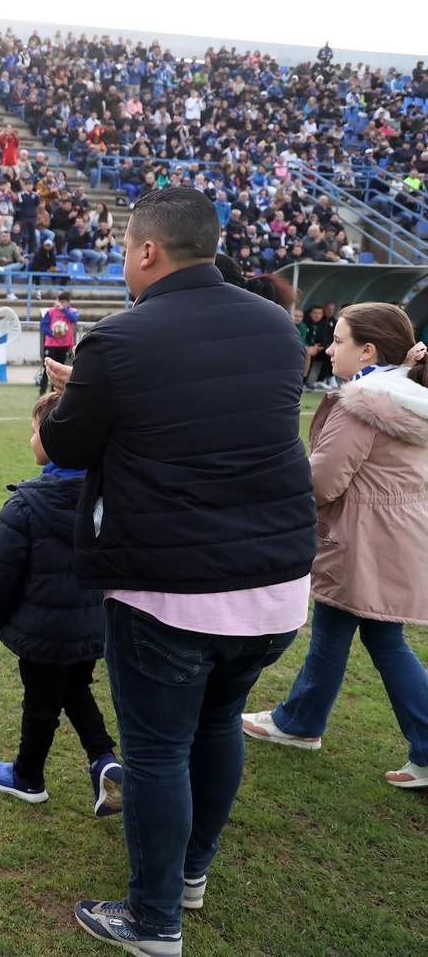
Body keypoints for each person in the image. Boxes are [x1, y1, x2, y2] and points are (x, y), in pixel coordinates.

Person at [38, 187, 315, 955]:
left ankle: (155, 917)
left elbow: (65, 447)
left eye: (126, 249)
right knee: (218, 723)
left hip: (172, 590)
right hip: (275, 583)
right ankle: (190, 872)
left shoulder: (120, 340)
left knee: (158, 750)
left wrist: (76, 392)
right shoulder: (274, 323)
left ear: (149, 250)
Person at [243, 304, 428, 790]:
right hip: (393, 534)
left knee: (380, 638)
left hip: (362, 536)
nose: (328, 348)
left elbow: (322, 482)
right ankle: (299, 720)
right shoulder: (410, 393)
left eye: (339, 340)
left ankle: (422, 745)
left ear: (368, 350)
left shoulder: (364, 401)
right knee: (340, 628)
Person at [0, 390, 124, 815]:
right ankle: (105, 760)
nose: (30, 439)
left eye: (34, 431)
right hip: (91, 629)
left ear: (52, 438)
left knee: (41, 703)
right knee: (74, 687)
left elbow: (2, 571)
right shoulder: (112, 497)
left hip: (43, 634)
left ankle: (27, 776)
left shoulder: (25, 505)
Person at [39, 291, 77, 395]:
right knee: (47, 368)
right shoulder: (51, 311)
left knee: (60, 369)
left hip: (64, 344)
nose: (61, 304)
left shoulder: (72, 311)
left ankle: (55, 393)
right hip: (51, 344)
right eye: (60, 301)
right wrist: (51, 333)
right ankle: (42, 391)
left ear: (68, 302)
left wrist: (64, 310)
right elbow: (43, 325)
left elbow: (74, 319)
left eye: (64, 302)